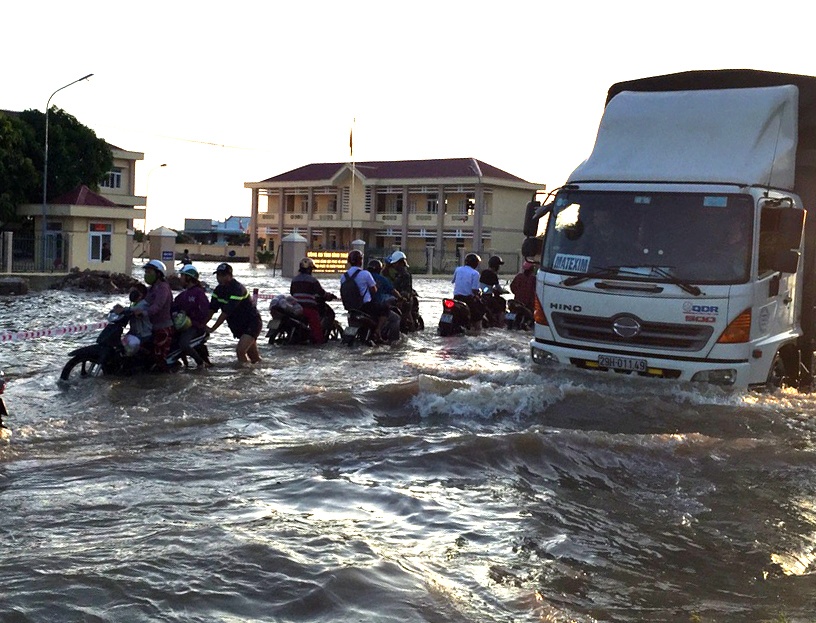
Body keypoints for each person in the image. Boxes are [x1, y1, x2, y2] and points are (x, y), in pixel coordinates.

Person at [206, 263, 262, 364]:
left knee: (240, 351)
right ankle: (258, 372)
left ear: (230, 276)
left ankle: (245, 376)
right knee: (254, 358)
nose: (220, 278)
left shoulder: (237, 289)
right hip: (238, 325)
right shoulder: (218, 290)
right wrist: (202, 323)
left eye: (223, 275)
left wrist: (212, 329)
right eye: (218, 275)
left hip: (252, 323)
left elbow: (226, 312)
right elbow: (212, 310)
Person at [172, 264, 211, 368]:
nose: (180, 279)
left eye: (182, 276)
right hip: (183, 326)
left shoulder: (199, 293)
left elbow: (205, 311)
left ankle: (200, 363)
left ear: (188, 277)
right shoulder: (184, 294)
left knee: (183, 344)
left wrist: (196, 322)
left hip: (194, 327)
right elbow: (174, 306)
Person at [290, 257, 333, 344]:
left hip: (296, 307)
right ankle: (319, 341)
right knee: (316, 326)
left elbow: (292, 292)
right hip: (308, 308)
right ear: (309, 269)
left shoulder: (294, 280)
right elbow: (321, 293)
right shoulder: (313, 280)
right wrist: (328, 296)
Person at [142, 259, 173, 371]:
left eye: (149, 272)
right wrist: (127, 310)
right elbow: (144, 303)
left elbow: (157, 306)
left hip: (162, 328)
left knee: (158, 359)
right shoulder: (151, 289)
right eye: (146, 272)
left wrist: (143, 312)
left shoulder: (163, 288)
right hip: (150, 327)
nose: (146, 275)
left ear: (158, 274)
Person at [114, 283, 152, 356]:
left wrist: (123, 310)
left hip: (143, 334)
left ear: (140, 295)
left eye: (133, 292)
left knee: (129, 347)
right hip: (134, 333)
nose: (131, 294)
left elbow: (135, 310)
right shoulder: (134, 304)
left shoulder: (143, 304)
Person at [367, 259, 402, 340]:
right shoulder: (381, 279)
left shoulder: (363, 277)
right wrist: (400, 298)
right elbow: (393, 291)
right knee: (396, 318)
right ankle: (393, 342)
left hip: (361, 307)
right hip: (376, 306)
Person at [452, 252, 486, 332]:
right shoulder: (475, 273)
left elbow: (453, 281)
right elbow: (474, 290)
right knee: (478, 315)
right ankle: (477, 331)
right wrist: (478, 295)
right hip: (467, 299)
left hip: (456, 298)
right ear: (475, 263)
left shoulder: (458, 269)